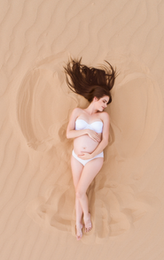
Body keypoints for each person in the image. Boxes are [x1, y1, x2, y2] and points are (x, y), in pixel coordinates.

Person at [64, 58, 117, 240]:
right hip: (76, 157)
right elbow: (68, 134)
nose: (105, 105)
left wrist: (92, 154)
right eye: (103, 101)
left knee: (80, 192)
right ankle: (78, 223)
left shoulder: (104, 117)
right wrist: (85, 130)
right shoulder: (77, 112)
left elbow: (105, 141)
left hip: (94, 158)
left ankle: (86, 216)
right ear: (95, 99)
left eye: (107, 103)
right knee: (78, 191)